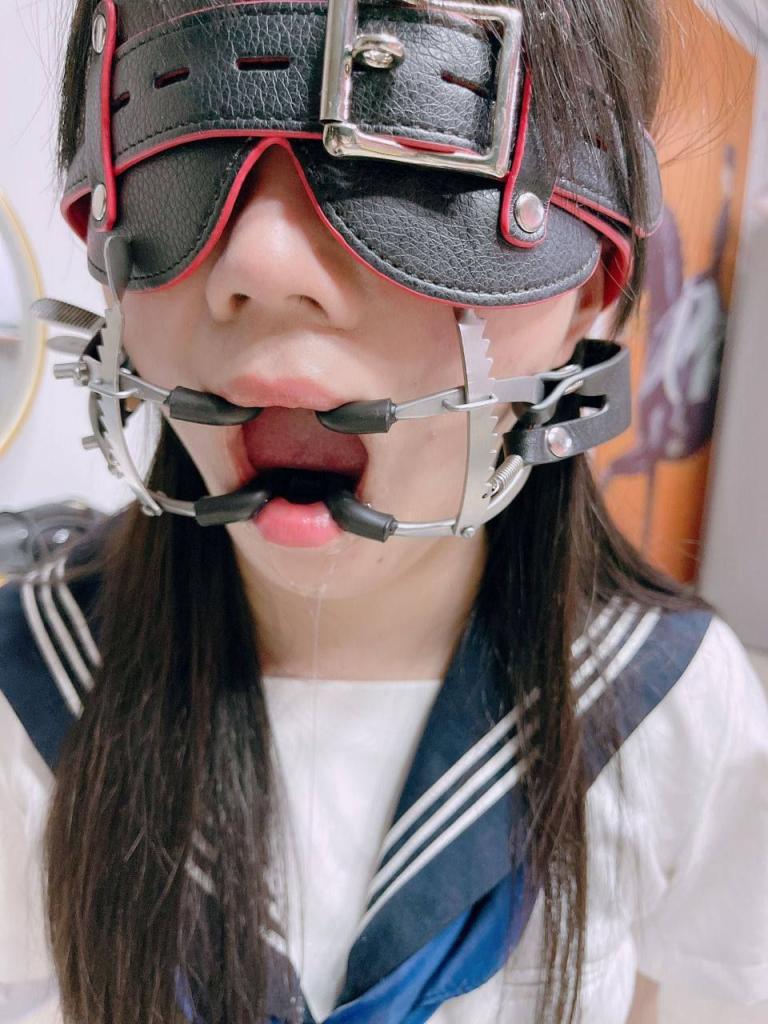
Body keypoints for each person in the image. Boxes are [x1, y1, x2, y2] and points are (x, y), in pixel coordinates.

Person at [1, 0, 767, 1022]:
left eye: (420, 136)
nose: (260, 263)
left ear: (596, 285)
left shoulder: (679, 717)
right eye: (176, 130)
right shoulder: (20, 700)